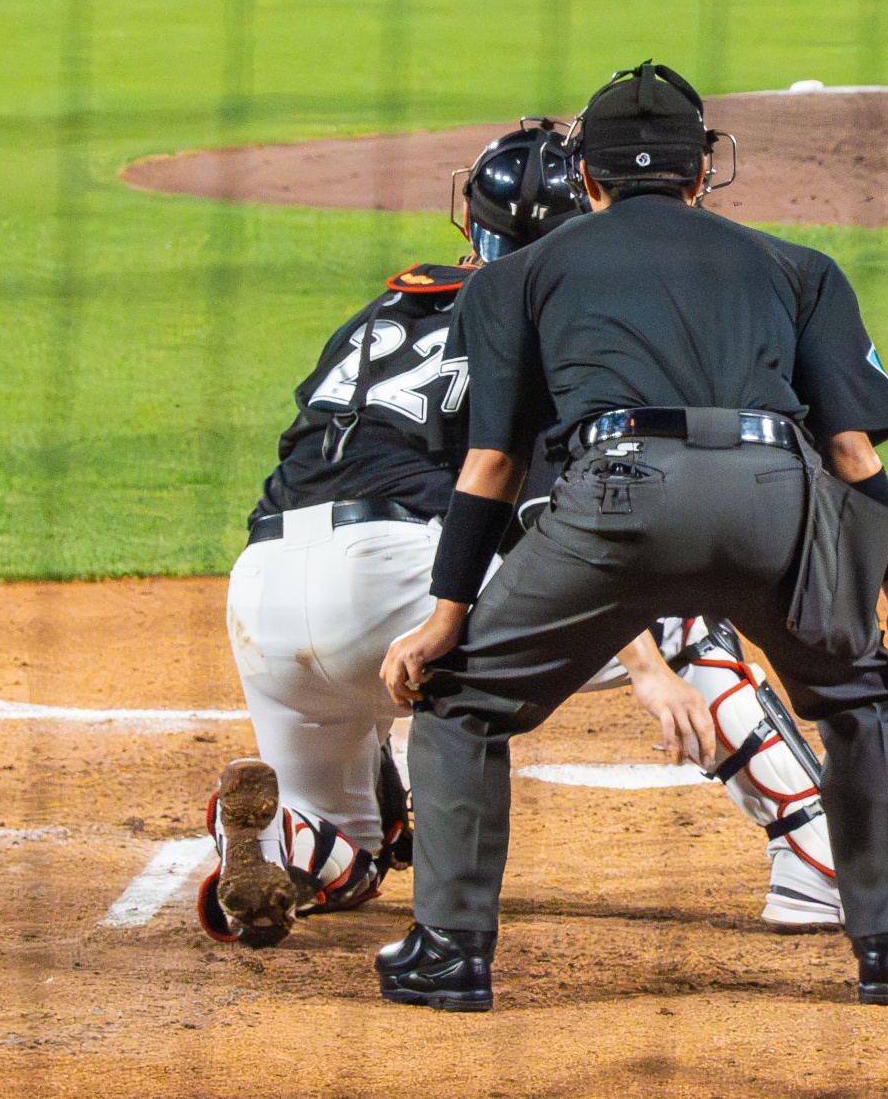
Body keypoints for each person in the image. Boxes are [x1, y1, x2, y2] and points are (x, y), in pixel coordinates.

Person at [377, 62, 888, 1011]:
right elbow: (852, 455)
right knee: (865, 694)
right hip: (776, 500)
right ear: (705, 169)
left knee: (461, 703)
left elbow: (493, 468)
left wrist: (446, 619)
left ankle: (450, 955)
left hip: (617, 503)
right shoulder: (799, 267)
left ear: (587, 177)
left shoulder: (514, 278)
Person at [202, 122, 851, 949]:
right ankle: (819, 862)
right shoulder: (552, 317)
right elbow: (552, 509)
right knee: (679, 613)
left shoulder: (378, 313)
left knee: (356, 855)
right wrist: (647, 667)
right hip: (397, 577)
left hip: (263, 592)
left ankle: (270, 839)